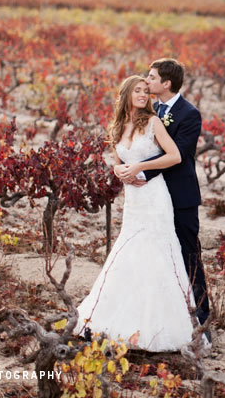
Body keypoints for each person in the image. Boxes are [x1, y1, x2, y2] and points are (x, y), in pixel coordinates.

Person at [75, 75, 195, 352]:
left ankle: (157, 325)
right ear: (126, 94)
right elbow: (118, 161)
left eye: (146, 91)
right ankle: (117, 317)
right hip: (133, 197)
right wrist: (120, 170)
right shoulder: (118, 126)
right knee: (128, 250)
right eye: (138, 91)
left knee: (155, 250)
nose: (144, 95)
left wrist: (140, 166)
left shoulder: (153, 122)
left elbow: (175, 156)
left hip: (154, 196)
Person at [116, 59, 211, 331]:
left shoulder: (189, 114)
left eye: (152, 77)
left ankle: (201, 317)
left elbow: (177, 156)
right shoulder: (150, 111)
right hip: (150, 198)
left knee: (188, 254)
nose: (147, 82)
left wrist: (141, 172)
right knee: (155, 255)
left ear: (166, 83)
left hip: (179, 197)